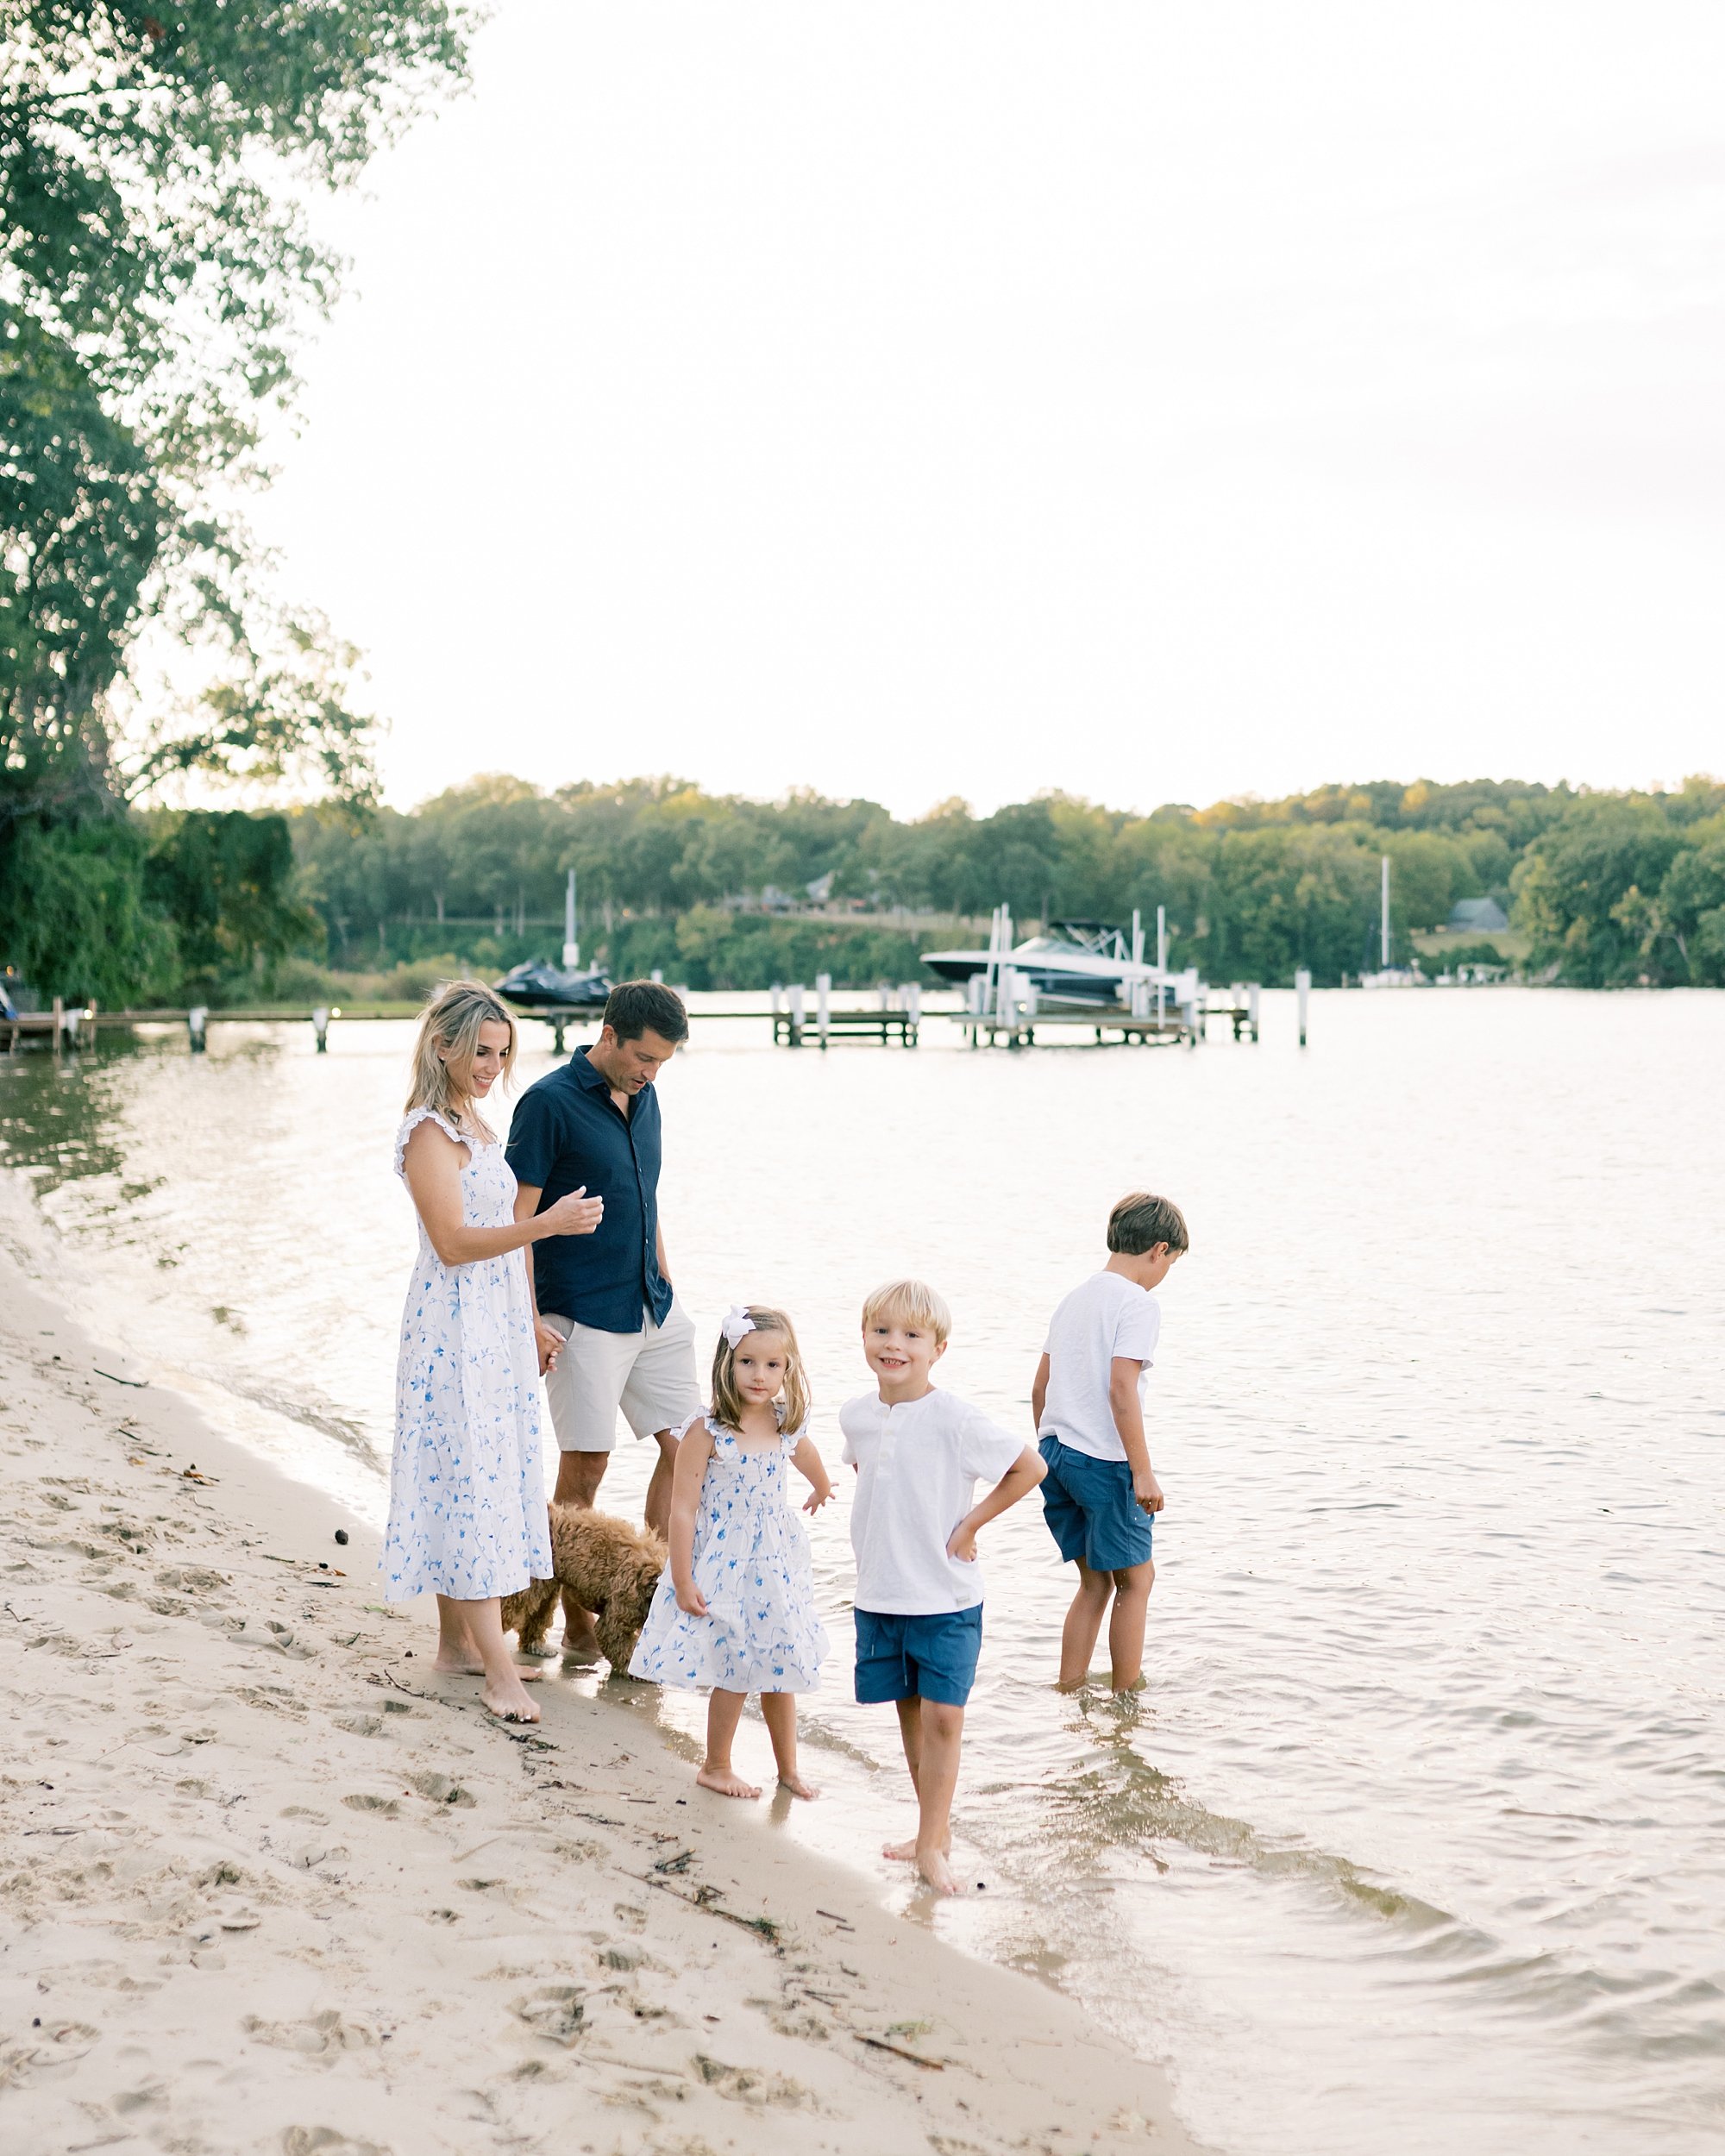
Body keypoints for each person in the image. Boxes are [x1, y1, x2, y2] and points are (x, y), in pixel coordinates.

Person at [383, 980, 605, 1722]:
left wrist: (527, 1319)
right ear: (442, 1045)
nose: (491, 1066)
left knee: (478, 1472)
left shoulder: (474, 1122)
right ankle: (498, 1671)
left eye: (502, 1053)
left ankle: (459, 1648)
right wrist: (548, 1224)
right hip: (452, 1329)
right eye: (480, 1051)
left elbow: (493, 1240)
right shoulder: (427, 1133)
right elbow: (452, 1244)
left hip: (493, 1321)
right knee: (469, 1480)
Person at [839, 1279, 1046, 1895]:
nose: (893, 1345)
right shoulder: (856, 1415)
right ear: (864, 1337)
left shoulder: (955, 1418)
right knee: (908, 1714)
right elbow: (873, 1479)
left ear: (938, 1349)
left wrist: (971, 1522)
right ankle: (934, 1831)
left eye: (911, 1335)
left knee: (945, 1719)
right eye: (881, 1331)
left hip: (947, 1599)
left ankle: (932, 1845)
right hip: (880, 1593)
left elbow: (1029, 1466)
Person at [506, 981, 699, 1625]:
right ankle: (570, 1623)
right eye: (645, 1058)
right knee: (586, 1466)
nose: (652, 1073)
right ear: (609, 1035)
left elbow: (647, 1200)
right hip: (580, 1313)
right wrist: (527, 1319)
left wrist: (666, 1285)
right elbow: (518, 1219)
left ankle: (649, 1606)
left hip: (652, 1305)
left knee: (688, 1449)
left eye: (663, 1063)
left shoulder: (648, 1101)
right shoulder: (547, 1104)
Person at [630, 1305, 831, 1799]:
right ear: (726, 1361)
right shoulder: (706, 1431)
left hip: (774, 1565)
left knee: (780, 1665)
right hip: (725, 1566)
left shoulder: (785, 1422)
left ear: (788, 1368)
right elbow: (682, 1510)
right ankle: (716, 1765)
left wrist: (821, 1488)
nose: (759, 1375)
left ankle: (787, 1769)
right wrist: (681, 1578)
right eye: (747, 1362)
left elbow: (808, 1458)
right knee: (736, 1666)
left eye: (772, 1365)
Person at [1033, 1191, 1188, 1696]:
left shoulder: (1073, 1299)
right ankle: (1126, 1703)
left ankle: (1069, 1689)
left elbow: (1040, 1388)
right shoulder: (1139, 1303)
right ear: (1158, 1251)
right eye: (1171, 1264)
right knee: (1136, 1583)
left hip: (1054, 1453)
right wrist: (1142, 1472)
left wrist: (1048, 1451)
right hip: (1103, 1462)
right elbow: (1121, 1388)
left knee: (1094, 1583)